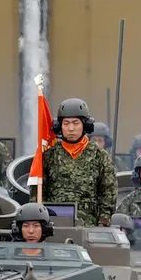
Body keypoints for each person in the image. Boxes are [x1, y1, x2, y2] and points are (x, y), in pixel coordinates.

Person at [38, 97, 117, 226]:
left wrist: (103, 222)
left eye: (75, 123)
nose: (71, 128)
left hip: (89, 224)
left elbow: (108, 193)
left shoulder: (100, 156)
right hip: (53, 223)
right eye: (66, 123)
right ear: (59, 126)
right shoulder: (48, 155)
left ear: (85, 125)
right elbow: (38, 191)